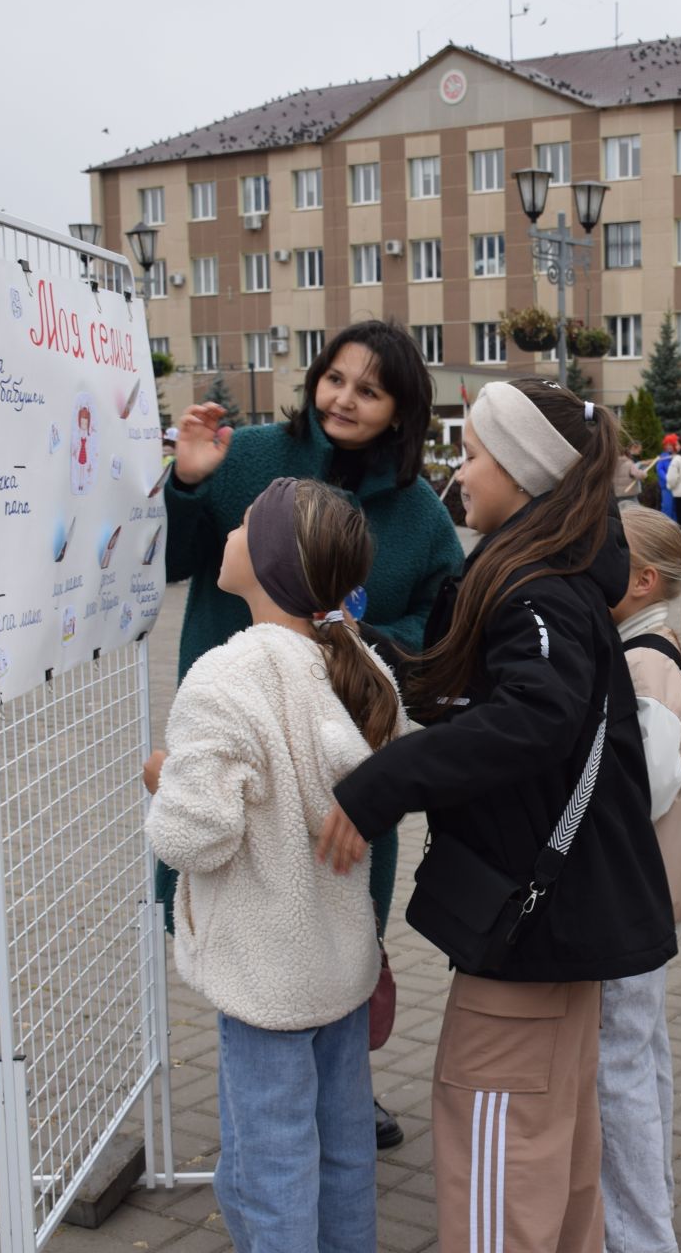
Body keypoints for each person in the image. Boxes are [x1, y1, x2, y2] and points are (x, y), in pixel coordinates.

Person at [315, 379, 676, 1253]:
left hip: (533, 935)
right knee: (559, 1158)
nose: (460, 470)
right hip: (558, 926)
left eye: (474, 452)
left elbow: (531, 715)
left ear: (521, 469)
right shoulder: (543, 574)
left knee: (494, 1151)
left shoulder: (537, 586)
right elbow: (482, 693)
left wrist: (378, 787)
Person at [163, 318, 464, 1151]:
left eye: (369, 390)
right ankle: (270, 1090)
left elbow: (444, 620)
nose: (343, 399)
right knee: (248, 910)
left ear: (401, 413)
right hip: (246, 739)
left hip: (347, 754)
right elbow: (174, 559)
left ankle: (339, 1092)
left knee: (344, 914)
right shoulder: (254, 456)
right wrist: (190, 484)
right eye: (336, 378)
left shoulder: (417, 511)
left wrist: (359, 639)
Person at [143, 478, 404, 1251]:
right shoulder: (360, 663)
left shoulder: (229, 677)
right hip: (340, 966)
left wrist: (163, 780)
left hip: (264, 977)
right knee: (344, 1148)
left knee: (271, 1161)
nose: (229, 531)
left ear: (267, 560)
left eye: (245, 521)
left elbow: (196, 838)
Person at [600, 505, 681, 1253]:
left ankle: (641, 1234)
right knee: (642, 1057)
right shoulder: (653, 649)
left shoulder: (643, 667)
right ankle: (653, 1212)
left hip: (627, 904)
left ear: (642, 580)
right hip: (649, 902)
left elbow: (633, 792)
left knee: (619, 1074)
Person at [654, 436, 679, 522]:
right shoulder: (663, 456)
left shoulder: (678, 456)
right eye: (667, 445)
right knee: (667, 507)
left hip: (677, 486)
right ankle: (665, 526)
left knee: (676, 508)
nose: (668, 447)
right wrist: (667, 478)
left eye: (670, 445)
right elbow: (659, 469)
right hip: (666, 486)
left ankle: (676, 527)